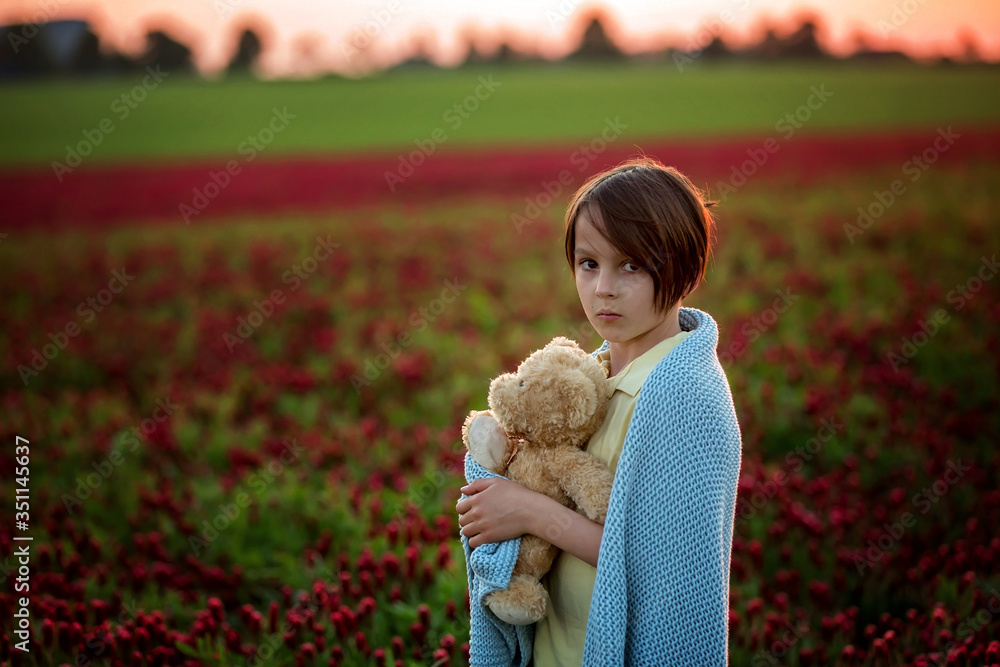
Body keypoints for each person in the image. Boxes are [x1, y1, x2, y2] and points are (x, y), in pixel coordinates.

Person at [456, 156, 743, 666]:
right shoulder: (588, 381)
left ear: (683, 269)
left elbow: (664, 567)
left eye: (631, 265)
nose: (603, 287)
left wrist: (527, 511)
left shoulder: (685, 397)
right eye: (589, 264)